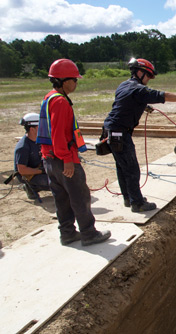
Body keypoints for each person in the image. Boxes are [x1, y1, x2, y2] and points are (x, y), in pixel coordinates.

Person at [104, 58, 176, 213]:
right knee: (132, 168)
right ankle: (137, 203)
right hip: (120, 132)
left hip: (112, 130)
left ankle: (129, 198)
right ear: (140, 72)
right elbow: (164, 96)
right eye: (148, 76)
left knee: (122, 167)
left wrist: (143, 106)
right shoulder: (138, 89)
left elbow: (125, 102)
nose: (148, 80)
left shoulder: (124, 85)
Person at [37, 59, 111, 246]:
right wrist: (67, 159)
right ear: (64, 80)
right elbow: (59, 133)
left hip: (49, 159)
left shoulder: (49, 98)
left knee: (61, 199)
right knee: (80, 197)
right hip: (63, 160)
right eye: (75, 80)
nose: (76, 83)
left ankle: (68, 233)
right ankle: (89, 233)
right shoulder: (60, 102)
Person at [14, 113, 50, 200]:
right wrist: (41, 171)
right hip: (29, 175)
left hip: (40, 169)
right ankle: (30, 187)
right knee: (54, 182)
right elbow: (22, 170)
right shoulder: (23, 147)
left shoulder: (40, 140)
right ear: (32, 129)